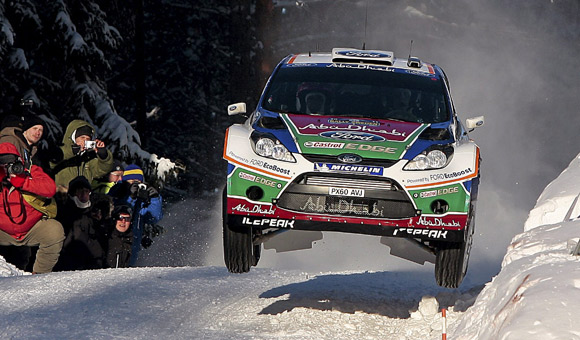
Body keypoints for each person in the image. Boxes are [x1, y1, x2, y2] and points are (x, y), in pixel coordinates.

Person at [0, 142, 65, 274]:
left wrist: (24, 182)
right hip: (3, 232)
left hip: (31, 229)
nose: (7, 169)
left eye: (11, 164)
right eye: (3, 165)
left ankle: (39, 276)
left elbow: (50, 188)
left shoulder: (30, 171)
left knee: (54, 231)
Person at [108, 164, 163, 266]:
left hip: (134, 243)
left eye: (138, 182)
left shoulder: (142, 199)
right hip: (116, 242)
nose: (135, 185)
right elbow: (119, 209)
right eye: (132, 181)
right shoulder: (117, 191)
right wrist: (131, 197)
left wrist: (155, 198)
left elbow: (154, 217)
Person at [54, 176, 107, 271]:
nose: (83, 195)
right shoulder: (63, 213)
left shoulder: (98, 213)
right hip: (69, 267)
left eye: (86, 191)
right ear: (73, 194)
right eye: (80, 191)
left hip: (95, 266)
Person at [51, 120, 113, 197]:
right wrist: (73, 150)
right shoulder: (60, 151)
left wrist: (103, 154)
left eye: (88, 138)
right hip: (61, 198)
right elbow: (52, 161)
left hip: (83, 200)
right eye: (82, 137)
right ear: (73, 138)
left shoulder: (89, 158)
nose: (85, 141)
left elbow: (102, 170)